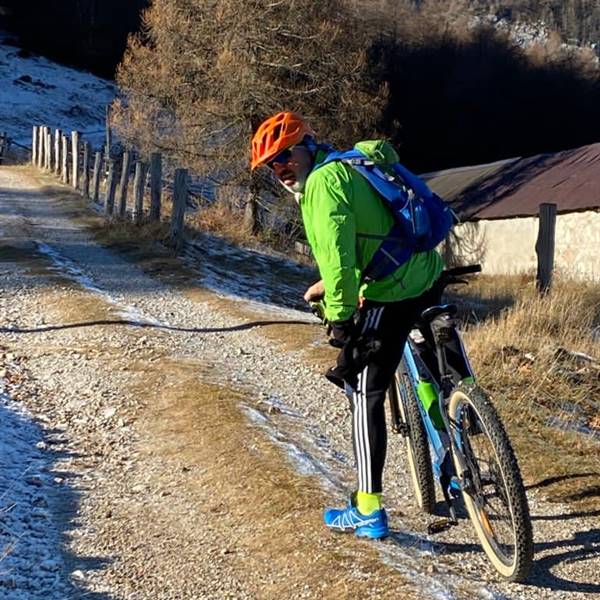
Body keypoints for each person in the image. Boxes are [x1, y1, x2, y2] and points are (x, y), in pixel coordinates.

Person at [251, 111, 453, 540]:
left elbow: (341, 265)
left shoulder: (322, 188)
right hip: (428, 271)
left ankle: (368, 509)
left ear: (306, 145)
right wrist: (329, 283)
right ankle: (453, 456)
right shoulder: (354, 161)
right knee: (429, 364)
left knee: (362, 391)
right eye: (273, 165)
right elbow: (374, 234)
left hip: (392, 291)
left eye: (285, 156)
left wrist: (340, 321)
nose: (282, 169)